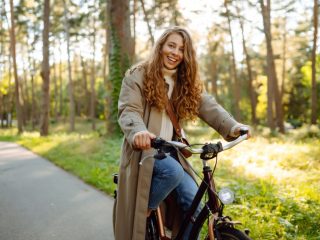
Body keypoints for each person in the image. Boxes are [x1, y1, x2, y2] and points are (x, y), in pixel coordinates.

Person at [113, 26, 250, 240]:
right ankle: (143, 211)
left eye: (181, 49)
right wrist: (139, 131)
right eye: (171, 45)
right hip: (146, 151)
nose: (175, 52)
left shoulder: (185, 82)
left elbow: (208, 106)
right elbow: (129, 110)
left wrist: (232, 126)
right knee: (173, 172)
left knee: (193, 203)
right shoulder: (137, 75)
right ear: (161, 47)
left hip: (172, 152)